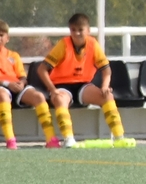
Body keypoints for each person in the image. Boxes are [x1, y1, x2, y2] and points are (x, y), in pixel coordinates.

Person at [36, 13, 134, 148]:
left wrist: (105, 86)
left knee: (107, 96)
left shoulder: (93, 44)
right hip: (62, 85)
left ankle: (119, 137)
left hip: (83, 85)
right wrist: (53, 90)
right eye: (73, 30)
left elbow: (106, 70)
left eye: (80, 30)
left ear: (88, 31)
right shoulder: (63, 44)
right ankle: (69, 139)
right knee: (60, 99)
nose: (76, 33)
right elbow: (42, 69)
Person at [0, 20, 58, 149]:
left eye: (1, 35)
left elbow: (21, 75)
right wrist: (7, 84)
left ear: (7, 38)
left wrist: (21, 83)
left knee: (38, 96)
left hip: (16, 86)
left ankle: (51, 139)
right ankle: (10, 140)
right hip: (3, 87)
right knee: (3, 95)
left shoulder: (14, 55)